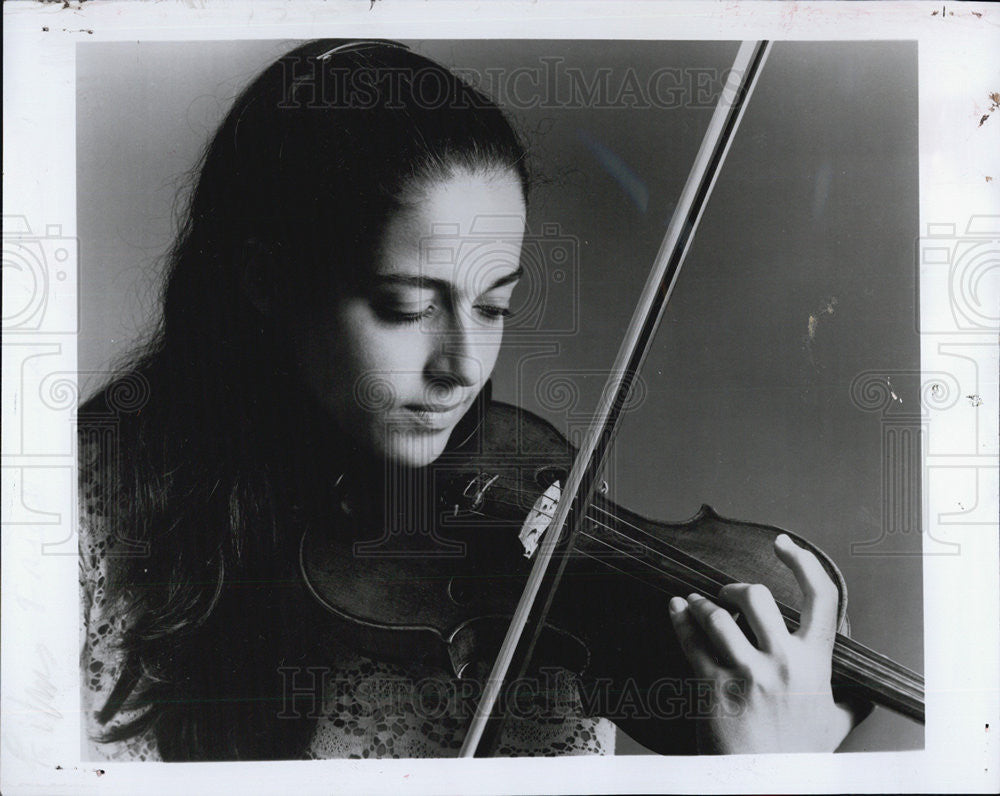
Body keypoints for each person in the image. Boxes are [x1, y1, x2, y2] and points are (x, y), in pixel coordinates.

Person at [78, 38, 867, 762]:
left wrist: (773, 769)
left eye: (494, 308)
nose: (462, 368)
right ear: (266, 283)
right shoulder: (73, 513)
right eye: (406, 306)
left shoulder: (535, 619)